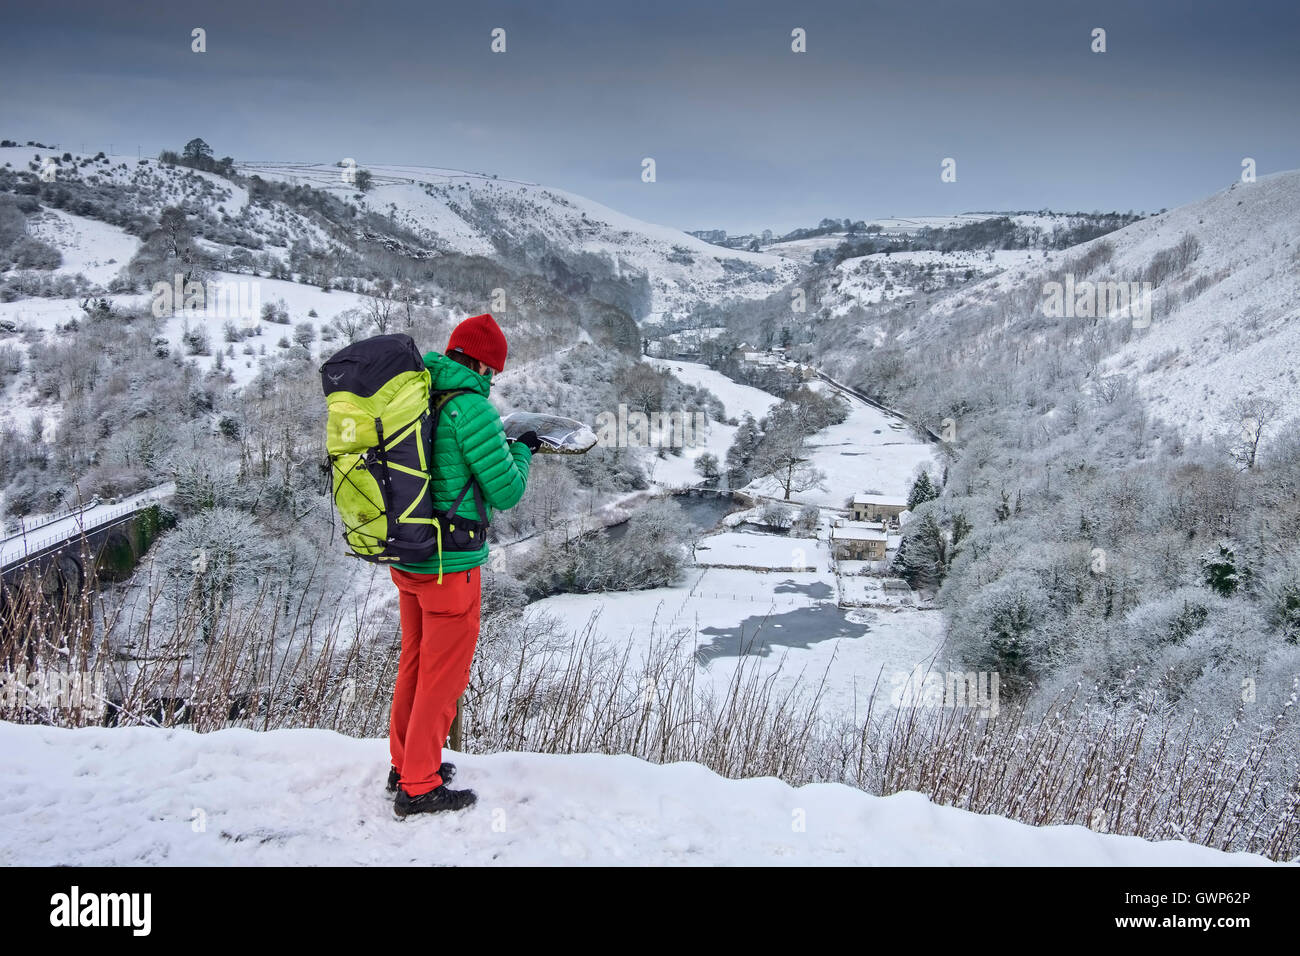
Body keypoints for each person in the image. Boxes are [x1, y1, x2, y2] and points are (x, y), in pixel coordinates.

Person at [386, 312, 539, 817]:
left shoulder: (417, 391)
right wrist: (523, 451)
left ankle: (405, 763)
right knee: (443, 677)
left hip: (409, 556)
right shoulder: (471, 408)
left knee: (413, 663)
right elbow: (507, 491)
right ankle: (419, 785)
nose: (492, 379)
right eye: (492, 370)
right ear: (480, 363)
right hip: (452, 566)